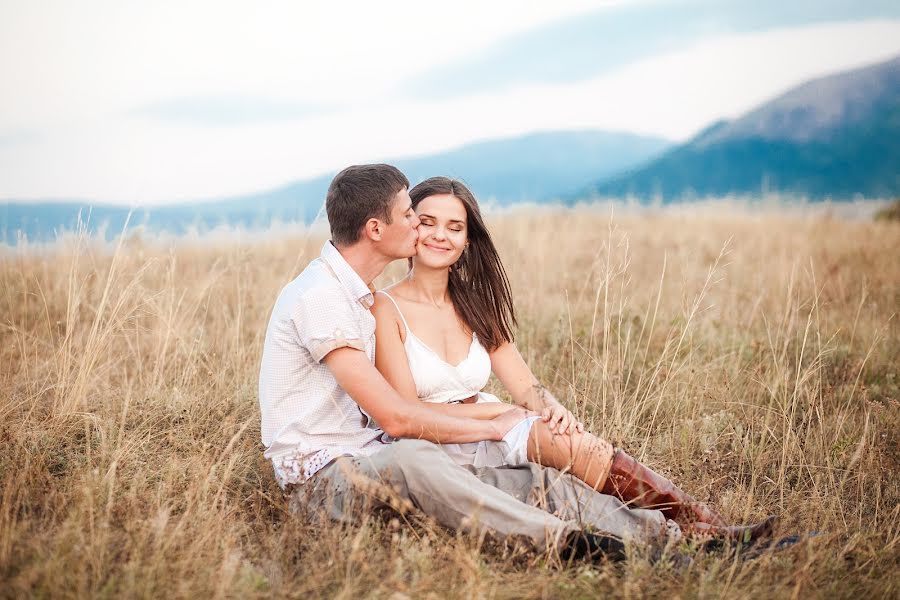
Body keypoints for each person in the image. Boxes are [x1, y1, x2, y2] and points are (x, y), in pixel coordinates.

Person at [258, 164, 683, 563]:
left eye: (448, 225)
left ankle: (669, 538)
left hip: (374, 456)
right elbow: (395, 417)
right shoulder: (321, 296)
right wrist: (495, 421)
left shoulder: (356, 293)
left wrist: (526, 412)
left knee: (533, 480)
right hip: (321, 481)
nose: (419, 225)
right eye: (411, 215)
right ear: (375, 229)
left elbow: (514, 383)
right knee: (415, 458)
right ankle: (570, 544)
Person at [371, 176, 775, 542]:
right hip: (436, 442)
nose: (440, 235)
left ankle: (701, 521)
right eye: (427, 221)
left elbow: (526, 386)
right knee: (543, 446)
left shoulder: (475, 304)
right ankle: (678, 532)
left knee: (569, 439)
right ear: (408, 224)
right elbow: (408, 415)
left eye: (454, 227)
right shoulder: (384, 308)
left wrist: (554, 410)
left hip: (490, 424)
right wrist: (498, 417)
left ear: (467, 241)